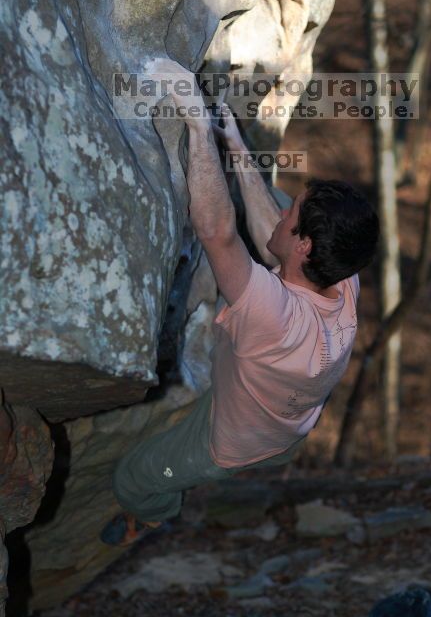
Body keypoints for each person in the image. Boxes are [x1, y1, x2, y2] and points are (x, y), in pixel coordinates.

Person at [101, 60, 380, 546]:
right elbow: (270, 228)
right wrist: (234, 142)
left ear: (304, 246)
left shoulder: (276, 318)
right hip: (280, 416)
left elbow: (217, 231)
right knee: (266, 206)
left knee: (134, 477)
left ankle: (147, 517)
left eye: (293, 213)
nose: (284, 207)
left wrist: (195, 121)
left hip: (236, 442)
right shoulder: (343, 277)